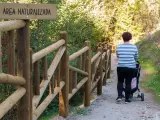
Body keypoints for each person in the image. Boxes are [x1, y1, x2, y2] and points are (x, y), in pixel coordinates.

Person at [116, 32, 138, 104]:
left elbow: (118, 56)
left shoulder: (119, 47)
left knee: (120, 82)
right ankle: (127, 99)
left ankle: (119, 97)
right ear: (130, 38)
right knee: (128, 83)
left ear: (122, 38)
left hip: (121, 67)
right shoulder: (134, 47)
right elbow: (136, 57)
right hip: (131, 67)